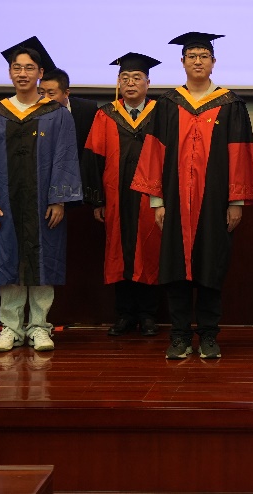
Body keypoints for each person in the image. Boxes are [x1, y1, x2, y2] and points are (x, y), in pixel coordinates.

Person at [131, 32, 253, 360]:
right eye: (192, 56)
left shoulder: (230, 105)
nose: (198, 61)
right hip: (175, 203)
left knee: (210, 268)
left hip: (215, 203)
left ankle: (208, 334)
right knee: (175, 270)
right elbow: (154, 153)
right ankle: (178, 335)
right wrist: (157, 202)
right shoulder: (168, 104)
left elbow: (240, 155)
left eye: (204, 56)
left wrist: (236, 202)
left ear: (213, 62)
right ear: (183, 62)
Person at [0, 37, 82, 353]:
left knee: (43, 261)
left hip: (43, 202)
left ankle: (39, 326)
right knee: (7, 260)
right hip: (5, 202)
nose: (22, 73)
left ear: (40, 73)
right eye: (17, 68)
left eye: (29, 68)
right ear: (10, 72)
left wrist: (59, 199)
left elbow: (65, 156)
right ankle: (10, 328)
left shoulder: (57, 113)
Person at [84, 52, 164, 338]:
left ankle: (148, 314)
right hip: (115, 195)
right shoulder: (105, 114)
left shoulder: (160, 113)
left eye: (137, 78)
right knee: (119, 251)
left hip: (150, 197)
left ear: (148, 83)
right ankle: (125, 315)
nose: (131, 83)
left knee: (149, 249)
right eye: (125, 78)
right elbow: (94, 158)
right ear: (118, 82)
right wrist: (97, 201)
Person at [39, 67, 99, 171]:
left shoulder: (88, 110)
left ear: (66, 93)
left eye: (51, 94)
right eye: (41, 93)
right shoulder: (34, 112)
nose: (45, 98)